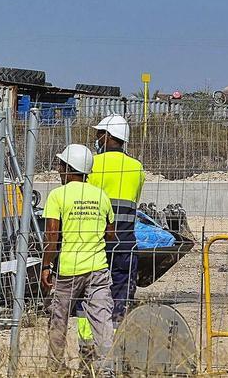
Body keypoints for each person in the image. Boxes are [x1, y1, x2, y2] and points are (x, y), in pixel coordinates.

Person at [41, 143, 116, 370]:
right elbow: (110, 233)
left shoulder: (57, 196)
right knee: (102, 321)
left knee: (59, 320)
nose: (58, 169)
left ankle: (54, 369)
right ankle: (107, 370)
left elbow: (51, 235)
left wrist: (46, 266)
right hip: (98, 269)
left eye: (60, 165)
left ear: (68, 168)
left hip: (68, 272)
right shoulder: (100, 195)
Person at [88, 114, 145, 326]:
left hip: (96, 242)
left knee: (94, 296)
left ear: (108, 136)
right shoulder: (137, 167)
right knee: (121, 297)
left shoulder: (93, 164)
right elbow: (135, 201)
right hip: (126, 242)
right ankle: (118, 331)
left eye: (99, 134)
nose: (97, 138)